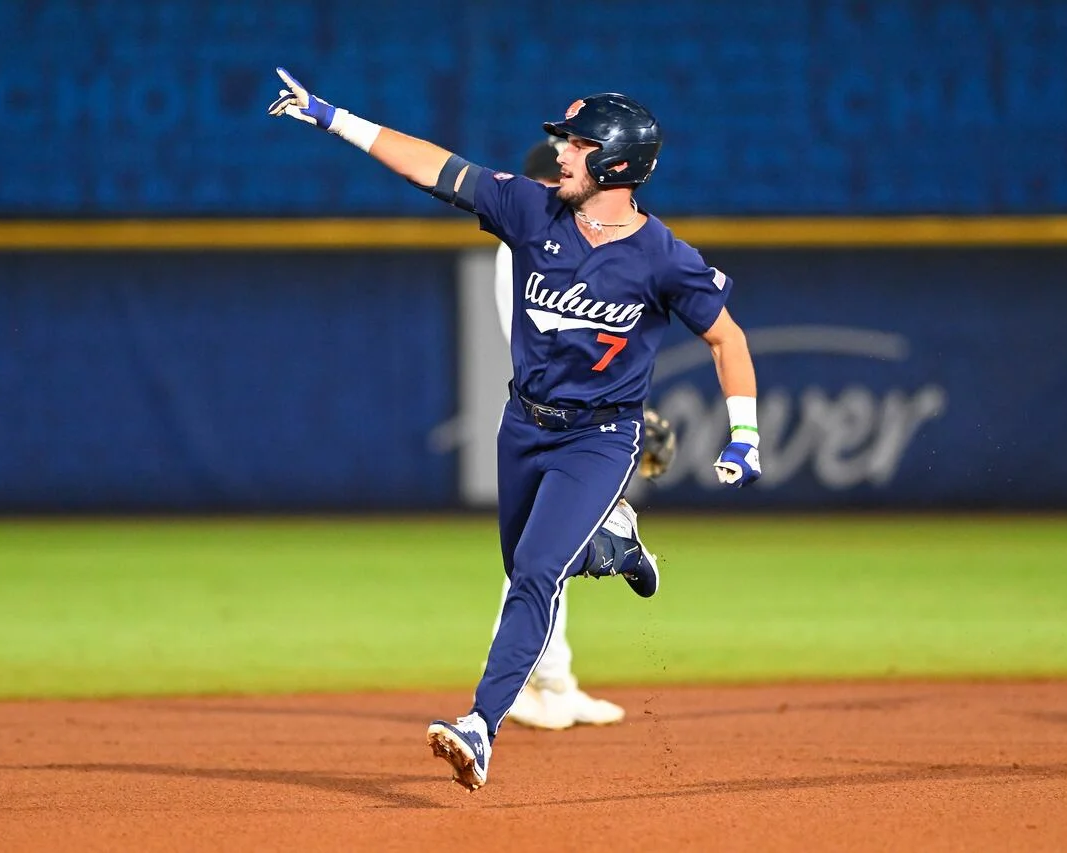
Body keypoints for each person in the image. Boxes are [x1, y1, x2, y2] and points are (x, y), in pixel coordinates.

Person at [269, 71, 763, 791]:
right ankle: (611, 544)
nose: (559, 152)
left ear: (616, 162)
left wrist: (744, 435)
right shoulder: (531, 211)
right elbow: (433, 166)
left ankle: (481, 723)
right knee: (527, 565)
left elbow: (729, 341)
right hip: (523, 428)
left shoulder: (664, 258)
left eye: (577, 143)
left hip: (601, 437)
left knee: (533, 576)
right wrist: (332, 116)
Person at [493, 138, 680, 732]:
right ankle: (534, 684)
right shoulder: (530, 242)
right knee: (534, 561)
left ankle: (553, 681)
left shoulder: (583, 239)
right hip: (545, 414)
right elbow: (550, 343)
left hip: (571, 411)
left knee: (540, 559)